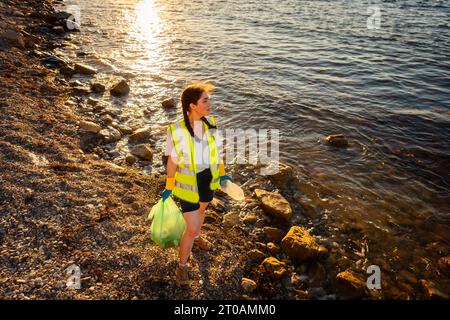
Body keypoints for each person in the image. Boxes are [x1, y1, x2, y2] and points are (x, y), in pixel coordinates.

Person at [162, 82, 232, 286]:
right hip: (186, 185)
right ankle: (182, 267)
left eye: (209, 99)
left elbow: (216, 153)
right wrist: (168, 186)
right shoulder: (176, 130)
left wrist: (223, 175)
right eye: (205, 100)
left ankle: (198, 237)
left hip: (207, 180)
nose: (209, 103)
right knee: (190, 228)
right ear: (192, 105)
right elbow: (172, 161)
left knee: (201, 213)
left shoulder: (210, 123)